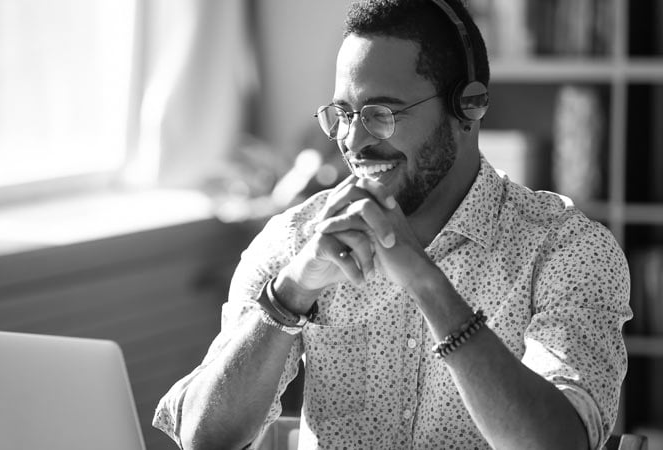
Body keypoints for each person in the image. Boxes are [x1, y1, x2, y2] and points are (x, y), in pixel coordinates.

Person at [154, 0, 632, 448]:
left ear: (469, 106)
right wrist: (291, 293)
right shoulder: (298, 238)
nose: (353, 141)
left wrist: (426, 282)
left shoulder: (568, 250)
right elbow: (203, 438)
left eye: (381, 113)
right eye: (342, 113)